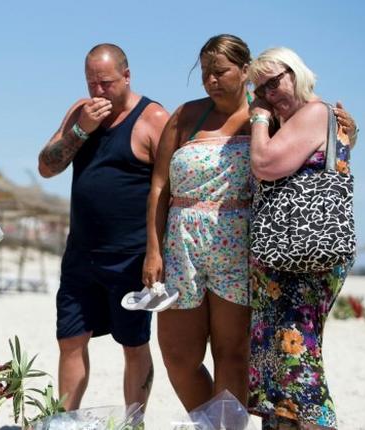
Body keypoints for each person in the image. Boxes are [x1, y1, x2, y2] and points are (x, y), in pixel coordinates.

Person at [37, 43, 169, 412]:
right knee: (70, 338)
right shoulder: (81, 112)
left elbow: (170, 189)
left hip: (131, 256)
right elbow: (47, 167)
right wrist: (82, 130)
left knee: (134, 343)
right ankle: (65, 419)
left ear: (127, 77)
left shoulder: (154, 117)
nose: (98, 91)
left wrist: (157, 252)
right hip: (81, 252)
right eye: (91, 82)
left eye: (106, 82)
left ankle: (133, 420)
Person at [143, 34, 254, 410]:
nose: (211, 80)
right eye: (206, 72)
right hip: (181, 245)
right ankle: (211, 422)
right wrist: (153, 250)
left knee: (232, 354)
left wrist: (347, 134)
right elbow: (159, 186)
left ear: (245, 69)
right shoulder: (187, 115)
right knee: (178, 356)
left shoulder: (265, 116)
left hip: (238, 246)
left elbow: (309, 146)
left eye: (220, 71)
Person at [247, 47, 355, 430]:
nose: (269, 93)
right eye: (260, 90)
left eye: (275, 82)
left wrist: (258, 118)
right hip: (286, 257)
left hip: (303, 256)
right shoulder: (303, 121)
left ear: (297, 73)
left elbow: (265, 165)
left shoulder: (314, 113)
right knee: (281, 357)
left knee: (297, 358)